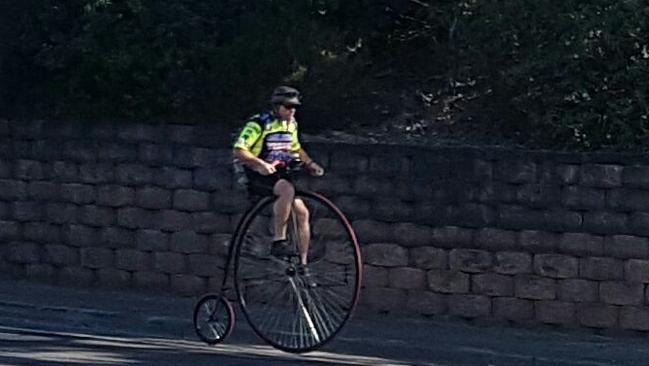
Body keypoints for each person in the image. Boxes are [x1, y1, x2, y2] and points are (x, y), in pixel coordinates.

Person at [232, 86, 324, 284]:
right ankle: (278, 241)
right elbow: (239, 151)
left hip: (278, 174)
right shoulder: (258, 124)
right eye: (288, 106)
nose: (292, 111)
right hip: (257, 174)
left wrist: (310, 164)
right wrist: (261, 164)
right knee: (287, 190)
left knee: (302, 212)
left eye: (295, 107)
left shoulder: (291, 124)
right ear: (276, 106)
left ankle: (303, 263)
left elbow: (296, 148)